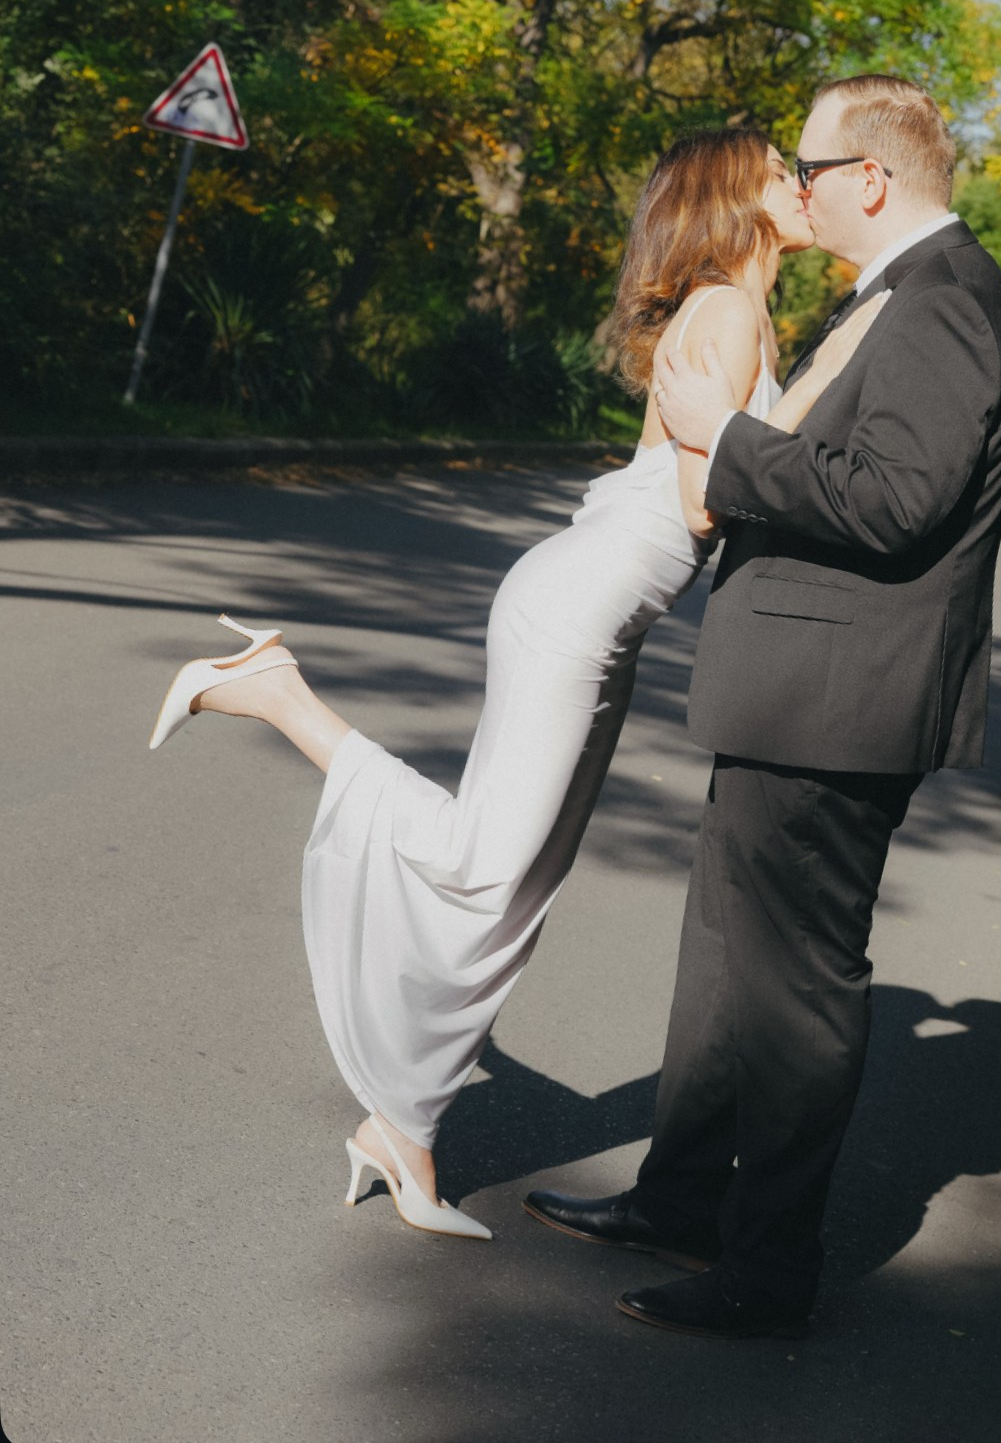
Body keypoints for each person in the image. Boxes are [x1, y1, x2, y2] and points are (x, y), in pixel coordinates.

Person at [147, 128, 884, 1242]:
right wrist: (808, 398)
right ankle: (274, 686)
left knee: (519, 887)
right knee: (480, 862)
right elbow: (701, 505)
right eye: (784, 168)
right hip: (573, 614)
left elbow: (720, 462)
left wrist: (800, 389)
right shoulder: (729, 310)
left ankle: (405, 1129)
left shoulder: (743, 308)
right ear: (737, 194)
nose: (801, 183)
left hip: (601, 620)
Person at [524, 74, 1001, 1336]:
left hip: (841, 703)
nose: (796, 190)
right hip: (794, 692)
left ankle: (769, 1268)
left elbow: (894, 499)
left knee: (795, 988)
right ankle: (681, 1196)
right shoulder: (899, 297)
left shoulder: (947, 303)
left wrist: (723, 436)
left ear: (871, 176)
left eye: (809, 167)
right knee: (719, 965)